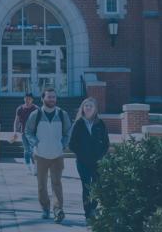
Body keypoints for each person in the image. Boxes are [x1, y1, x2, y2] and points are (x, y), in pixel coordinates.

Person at [25, 87, 72, 223]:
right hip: (40, 155)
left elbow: (68, 132)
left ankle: (58, 210)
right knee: (42, 185)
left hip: (57, 155)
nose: (52, 99)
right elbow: (28, 131)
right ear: (43, 98)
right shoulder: (36, 114)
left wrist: (62, 145)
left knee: (57, 183)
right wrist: (36, 143)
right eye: (49, 97)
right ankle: (45, 209)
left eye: (54, 97)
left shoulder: (62, 114)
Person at [68, 97, 110, 223]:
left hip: (97, 161)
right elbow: (71, 144)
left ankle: (93, 208)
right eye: (86, 105)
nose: (88, 108)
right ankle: (88, 213)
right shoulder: (78, 124)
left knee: (97, 186)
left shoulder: (100, 124)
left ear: (95, 109)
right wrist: (81, 154)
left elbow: (106, 143)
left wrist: (101, 156)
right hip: (82, 162)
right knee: (86, 187)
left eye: (91, 106)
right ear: (83, 108)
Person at [12, 92, 39, 174]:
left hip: (33, 133)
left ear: (32, 100)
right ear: (24, 99)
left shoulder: (36, 109)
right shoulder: (20, 109)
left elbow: (40, 121)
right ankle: (28, 165)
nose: (27, 100)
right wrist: (15, 132)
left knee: (33, 150)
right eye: (26, 98)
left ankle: (35, 166)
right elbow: (16, 121)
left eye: (29, 99)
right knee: (27, 150)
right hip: (24, 132)